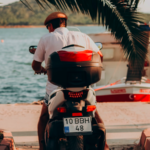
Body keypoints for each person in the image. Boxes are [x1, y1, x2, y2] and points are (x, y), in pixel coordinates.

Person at [32, 12, 109, 150]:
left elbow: (35, 65)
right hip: (84, 88)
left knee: (44, 117)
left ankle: (41, 147)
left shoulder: (46, 38)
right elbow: (99, 56)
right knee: (94, 113)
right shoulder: (82, 36)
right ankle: (105, 146)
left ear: (50, 26)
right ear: (65, 23)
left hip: (55, 88)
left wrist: (42, 70)